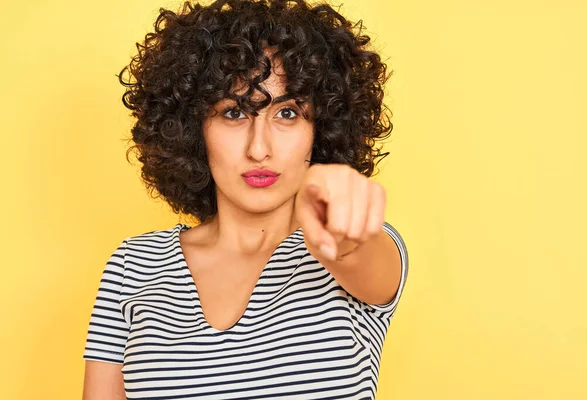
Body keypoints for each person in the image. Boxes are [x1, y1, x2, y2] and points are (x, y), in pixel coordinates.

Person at [82, 0, 408, 398]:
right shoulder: (133, 267)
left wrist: (342, 226)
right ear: (190, 127)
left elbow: (356, 250)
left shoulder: (356, 245)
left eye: (287, 113)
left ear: (321, 128)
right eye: (233, 113)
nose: (259, 149)